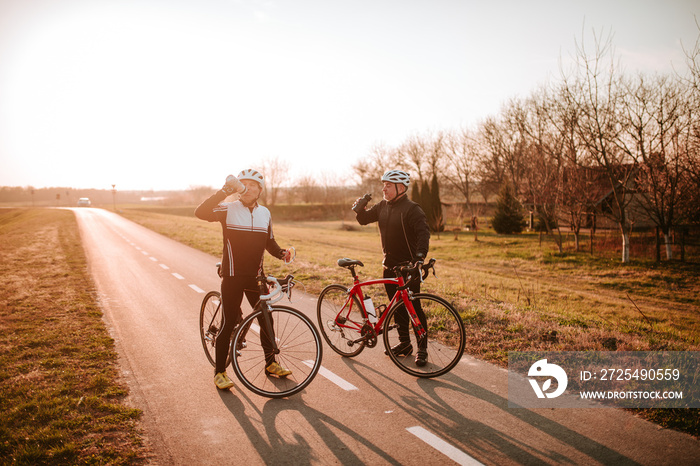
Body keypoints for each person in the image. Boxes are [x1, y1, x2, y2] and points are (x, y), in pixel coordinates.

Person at [195, 169, 294, 390]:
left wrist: (281, 253)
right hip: (232, 275)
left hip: (255, 277)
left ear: (260, 190)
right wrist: (224, 191)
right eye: (244, 184)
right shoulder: (228, 209)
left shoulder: (265, 213)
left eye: (252, 185)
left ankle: (271, 364)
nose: (247, 188)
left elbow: (269, 242)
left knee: (266, 319)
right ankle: (220, 372)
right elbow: (200, 212)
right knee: (229, 322)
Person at [354, 169, 431, 366]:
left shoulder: (412, 209)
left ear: (401, 188)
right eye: (384, 185)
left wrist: (420, 258)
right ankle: (405, 343)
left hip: (408, 268)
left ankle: (422, 348)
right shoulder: (382, 206)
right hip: (389, 268)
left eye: (388, 185)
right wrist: (359, 209)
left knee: (414, 307)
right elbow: (363, 220)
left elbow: (423, 234)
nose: (384, 189)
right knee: (398, 308)